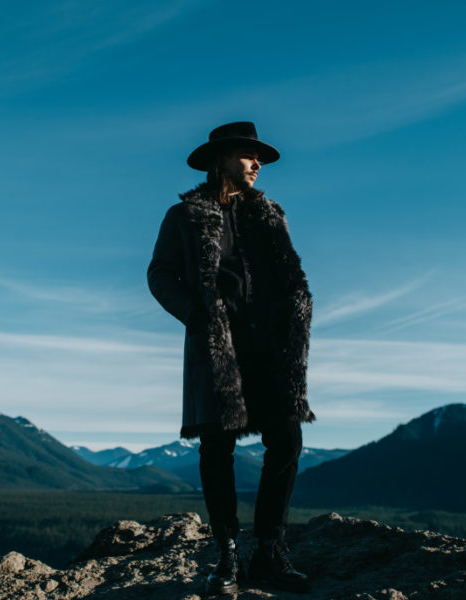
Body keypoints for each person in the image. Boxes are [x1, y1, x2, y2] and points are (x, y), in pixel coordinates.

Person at [147, 121, 315, 595]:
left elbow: (288, 280)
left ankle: (269, 550)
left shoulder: (271, 216)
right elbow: (160, 274)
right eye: (247, 154)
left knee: (286, 437)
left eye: (258, 157)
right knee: (216, 448)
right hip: (216, 346)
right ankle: (227, 554)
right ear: (221, 159)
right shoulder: (184, 215)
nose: (257, 163)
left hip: (270, 347)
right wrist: (197, 316)